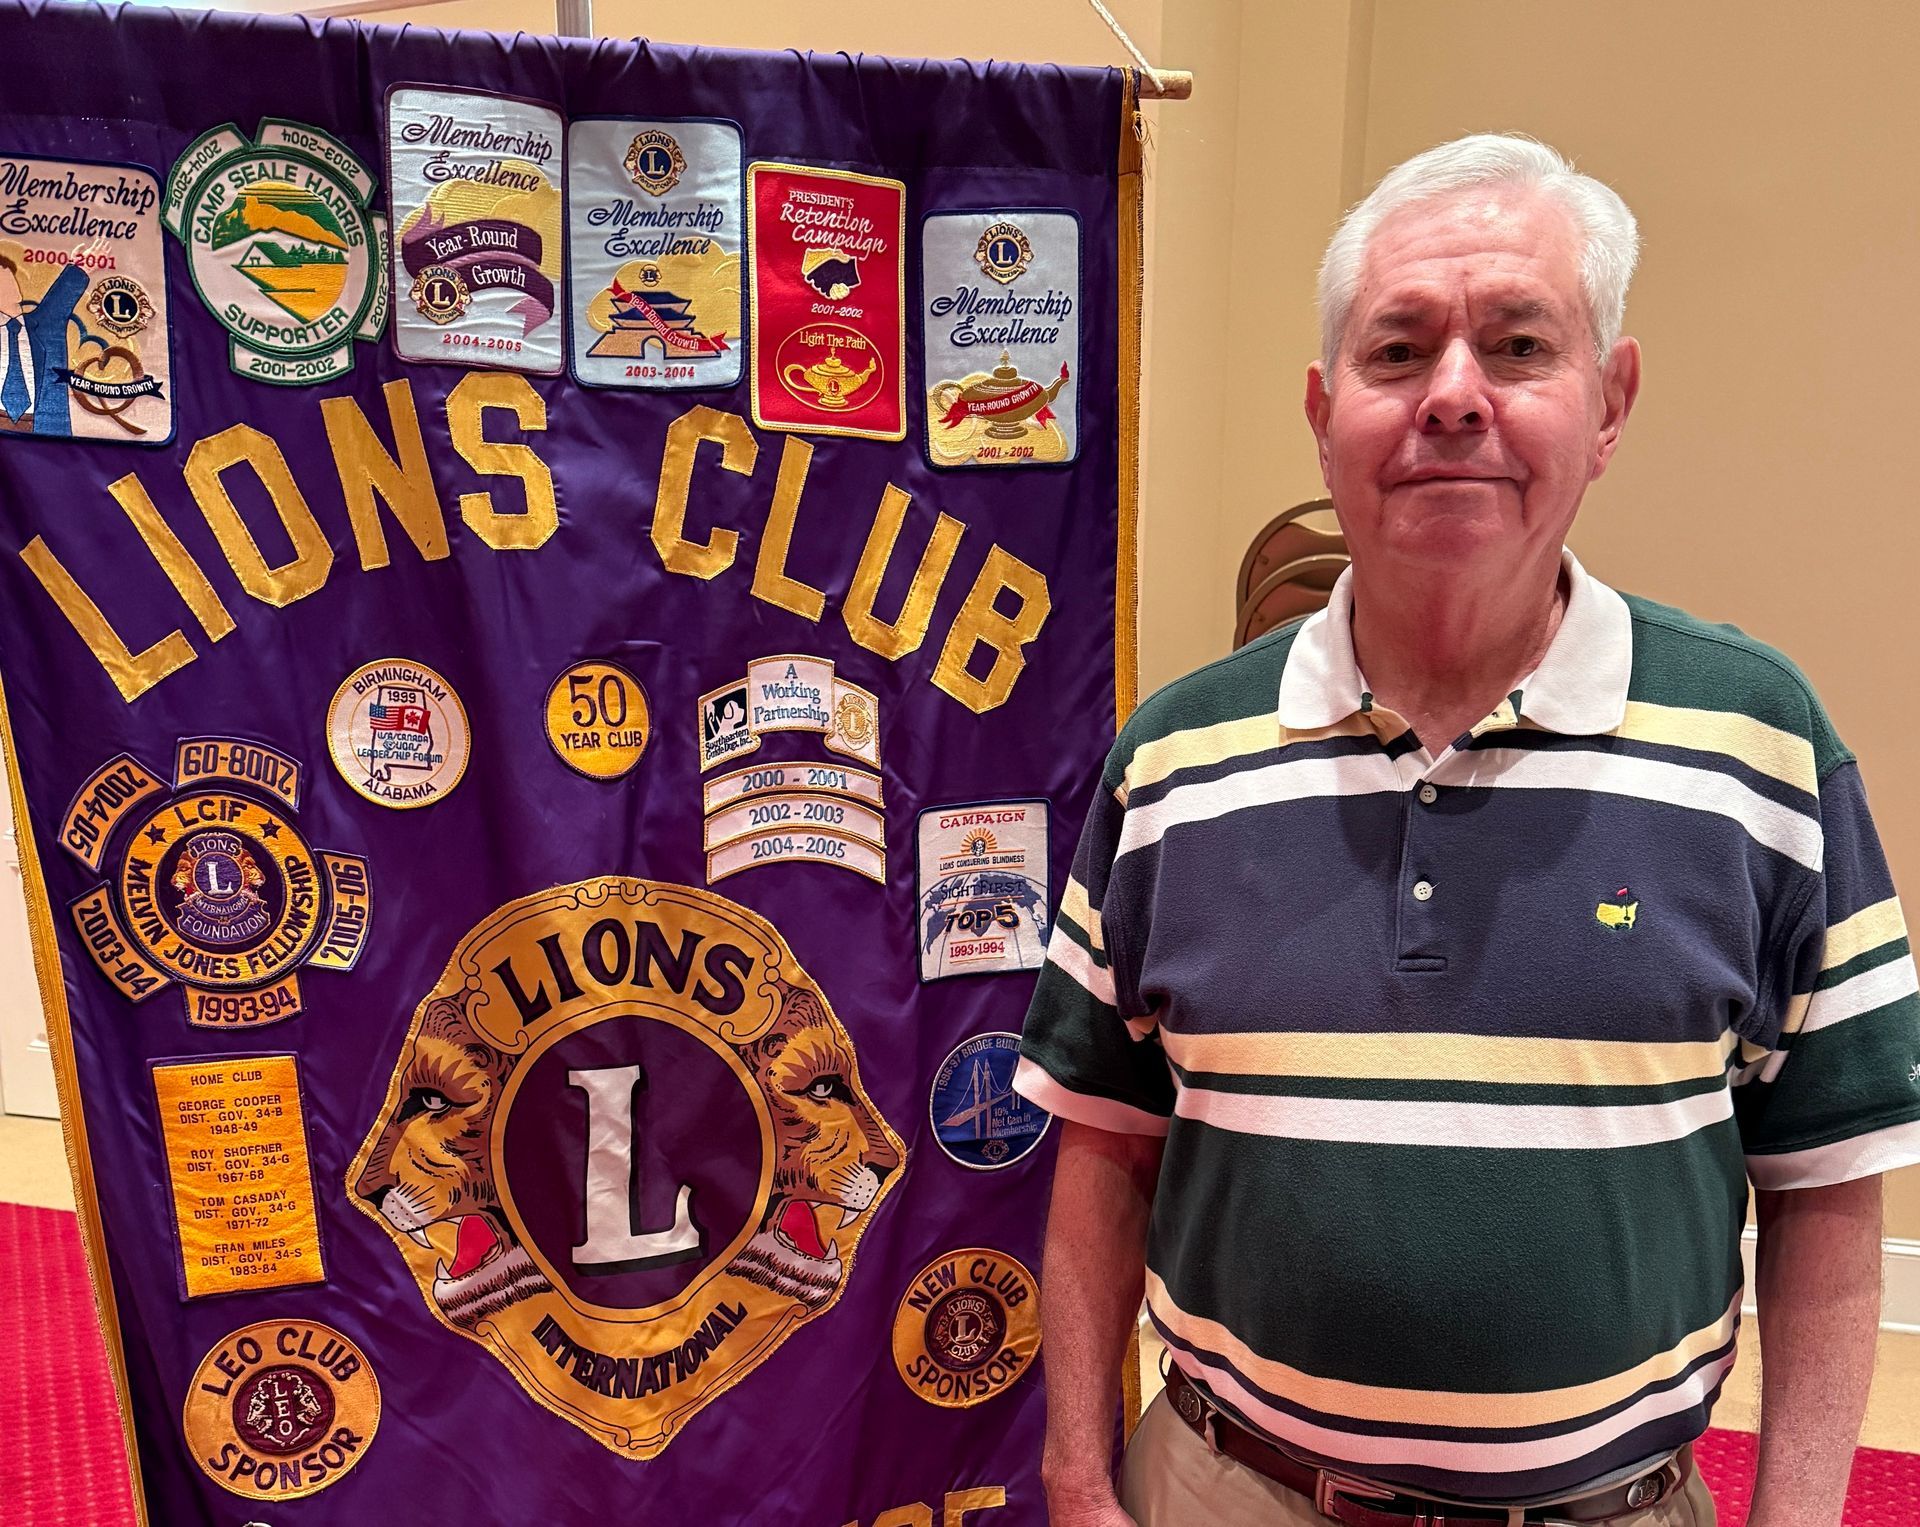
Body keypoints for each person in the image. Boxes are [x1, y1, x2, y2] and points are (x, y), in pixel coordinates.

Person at [1015, 134, 1920, 1527]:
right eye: (1397, 353)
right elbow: (1103, 1149)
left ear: (1609, 402)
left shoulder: (1762, 744)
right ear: (1323, 412)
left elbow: (1827, 1191)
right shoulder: (1172, 759)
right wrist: (1080, 1477)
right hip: (1220, 1489)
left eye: (1516, 346)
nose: (1452, 397)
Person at [0, 253, 85, 438]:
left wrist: (82, 265)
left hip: (43, 433)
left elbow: (61, 299)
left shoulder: (45, 326)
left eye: (6, 278)